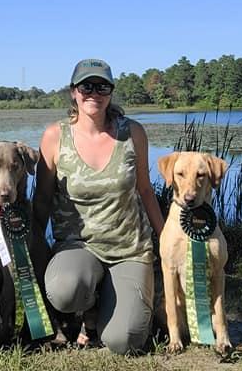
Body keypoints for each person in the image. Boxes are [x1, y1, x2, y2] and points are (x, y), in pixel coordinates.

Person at [31, 58, 165, 355]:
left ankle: (112, 305)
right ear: (73, 91)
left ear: (111, 92)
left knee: (123, 340)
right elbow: (41, 198)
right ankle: (89, 308)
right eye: (86, 86)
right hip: (77, 247)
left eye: (102, 87)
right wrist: (32, 244)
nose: (94, 93)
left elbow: (145, 190)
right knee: (64, 290)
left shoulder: (133, 133)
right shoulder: (55, 136)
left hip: (129, 249)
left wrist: (166, 239)